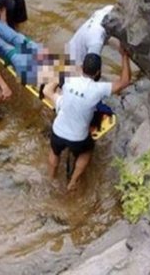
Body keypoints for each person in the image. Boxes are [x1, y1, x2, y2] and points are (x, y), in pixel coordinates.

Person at [43, 47, 131, 191]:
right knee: (87, 151)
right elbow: (124, 82)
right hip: (78, 138)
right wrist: (124, 57)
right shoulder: (98, 89)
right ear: (97, 72)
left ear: (82, 67)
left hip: (58, 131)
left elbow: (48, 90)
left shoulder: (69, 79)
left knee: (54, 151)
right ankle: (73, 182)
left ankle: (52, 178)